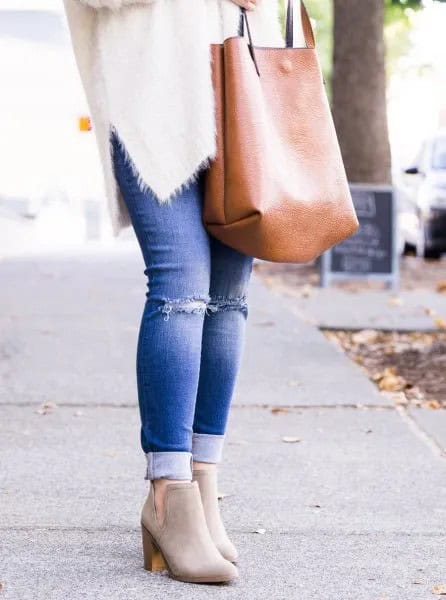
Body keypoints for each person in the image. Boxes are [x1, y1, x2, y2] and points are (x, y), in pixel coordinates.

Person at [64, 0, 303, 585]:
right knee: (181, 284)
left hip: (241, 83)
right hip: (151, 93)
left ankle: (203, 484)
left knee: (229, 298)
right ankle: (170, 496)